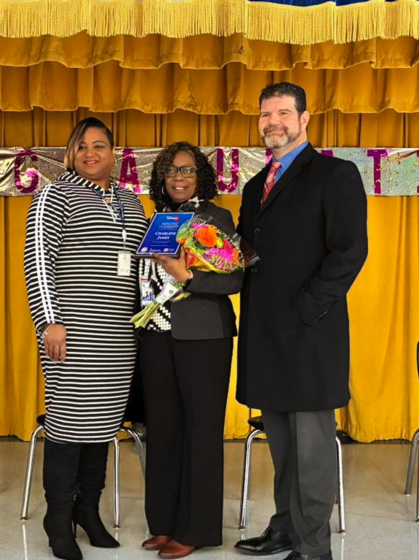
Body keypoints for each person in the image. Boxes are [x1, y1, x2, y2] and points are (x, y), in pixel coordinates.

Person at [232, 83, 368, 560]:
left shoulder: (335, 174)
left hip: (310, 334)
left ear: (305, 118)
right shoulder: (253, 187)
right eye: (266, 114)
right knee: (284, 448)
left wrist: (306, 308)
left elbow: (349, 250)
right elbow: (249, 256)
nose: (273, 122)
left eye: (283, 113)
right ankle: (285, 528)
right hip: (266, 338)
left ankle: (314, 549)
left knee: (312, 452)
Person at [24, 117, 149, 560]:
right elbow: (38, 260)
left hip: (119, 336)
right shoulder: (54, 196)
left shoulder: (132, 202)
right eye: (81, 146)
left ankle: (88, 511)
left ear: (114, 152)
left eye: (99, 145)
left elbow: (142, 265)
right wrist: (49, 322)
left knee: (102, 428)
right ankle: (58, 518)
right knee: (69, 425)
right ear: (69, 154)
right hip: (72, 332)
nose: (90, 152)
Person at [136, 142, 243, 559]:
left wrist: (187, 276)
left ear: (201, 176)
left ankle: (195, 528)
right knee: (162, 431)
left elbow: (234, 281)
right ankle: (162, 524)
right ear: (161, 177)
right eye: (170, 170)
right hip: (156, 336)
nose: (178, 177)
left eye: (187, 170)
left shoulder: (215, 219)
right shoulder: (153, 219)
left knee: (200, 433)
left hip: (204, 338)